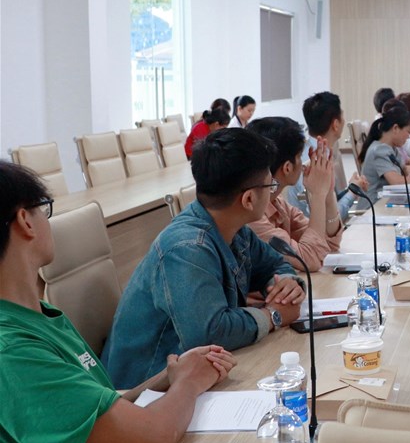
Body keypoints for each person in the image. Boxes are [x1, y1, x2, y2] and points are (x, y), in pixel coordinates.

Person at [0, 162, 236, 443]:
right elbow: (155, 437)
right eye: (44, 209)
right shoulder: (11, 351)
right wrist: (189, 382)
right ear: (26, 221)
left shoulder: (38, 314)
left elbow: (94, 409)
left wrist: (167, 378)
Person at [102, 129, 305, 389]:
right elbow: (210, 332)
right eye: (270, 186)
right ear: (249, 198)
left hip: (192, 378)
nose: (273, 193)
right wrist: (274, 315)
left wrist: (287, 284)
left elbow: (275, 264)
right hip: (146, 389)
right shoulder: (187, 248)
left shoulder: (233, 228)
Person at [246, 117, 343, 272]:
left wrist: (328, 191)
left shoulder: (277, 202)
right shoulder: (253, 217)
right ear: (287, 167)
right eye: (299, 157)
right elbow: (310, 259)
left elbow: (329, 243)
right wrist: (318, 194)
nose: (303, 164)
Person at [287, 91, 369, 221]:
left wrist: (352, 188)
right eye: (342, 116)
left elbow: (331, 203)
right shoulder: (312, 162)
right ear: (335, 124)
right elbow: (328, 219)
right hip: (311, 230)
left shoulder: (316, 152)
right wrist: (352, 194)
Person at [358, 103, 410, 203]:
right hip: (374, 206)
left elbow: (404, 171)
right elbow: (396, 181)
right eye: (408, 132)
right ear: (395, 128)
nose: (408, 137)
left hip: (387, 201)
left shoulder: (392, 148)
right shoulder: (379, 150)